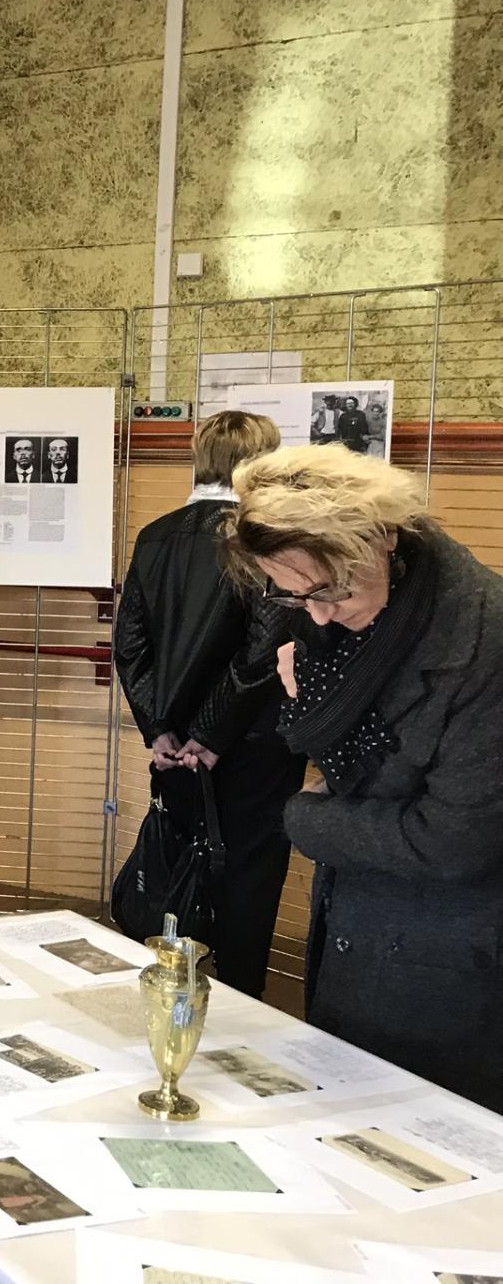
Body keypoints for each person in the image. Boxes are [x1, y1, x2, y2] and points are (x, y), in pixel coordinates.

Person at [222, 444, 503, 1109]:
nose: (314, 614)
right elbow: (365, 768)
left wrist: (305, 817)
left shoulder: (483, 641)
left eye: (327, 593)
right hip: (359, 937)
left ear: (377, 544)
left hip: (448, 970)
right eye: (295, 596)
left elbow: (453, 841)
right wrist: (310, 706)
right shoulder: (348, 622)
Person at [113, 410, 301, 998]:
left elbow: (130, 644)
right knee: (248, 886)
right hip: (251, 750)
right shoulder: (263, 540)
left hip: (175, 752)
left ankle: (173, 1007)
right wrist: (213, 735)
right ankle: (243, 1013)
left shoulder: (155, 536)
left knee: (175, 876)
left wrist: (162, 730)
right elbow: (264, 650)